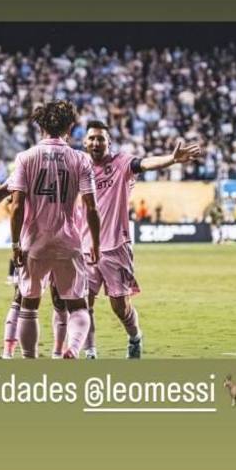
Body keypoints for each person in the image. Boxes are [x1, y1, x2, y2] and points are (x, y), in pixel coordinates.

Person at [81, 121, 201, 358]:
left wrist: (172, 159)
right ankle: (90, 353)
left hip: (116, 247)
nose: (96, 142)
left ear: (109, 143)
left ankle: (135, 337)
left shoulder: (121, 163)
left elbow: (144, 163)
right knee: (83, 303)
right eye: (92, 138)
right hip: (85, 247)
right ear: (85, 142)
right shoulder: (79, 167)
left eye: (100, 138)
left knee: (120, 307)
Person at [7, 100, 100, 359]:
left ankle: (29, 358)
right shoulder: (81, 159)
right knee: (78, 305)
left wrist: (15, 245)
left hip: (34, 242)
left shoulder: (25, 158)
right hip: (68, 242)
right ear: (69, 127)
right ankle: (73, 348)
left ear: (41, 127)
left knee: (29, 304)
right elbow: (91, 207)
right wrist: (95, 243)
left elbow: (16, 206)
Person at [0, 185, 70, 359]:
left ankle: (57, 354)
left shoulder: (67, 170)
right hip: (35, 244)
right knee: (22, 298)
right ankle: (8, 353)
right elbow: (4, 190)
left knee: (57, 299)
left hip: (59, 243)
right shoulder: (27, 170)